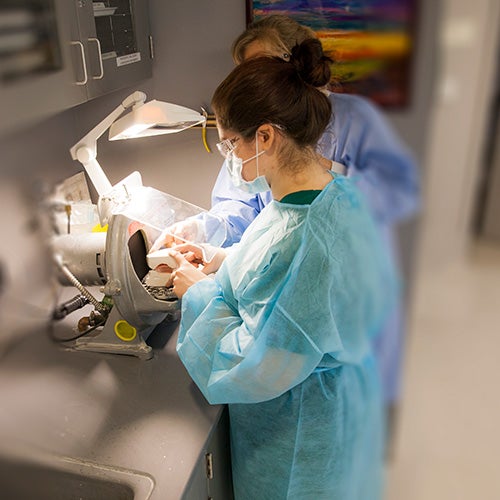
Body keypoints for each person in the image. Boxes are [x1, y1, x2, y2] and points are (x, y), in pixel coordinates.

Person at [165, 40, 398, 500]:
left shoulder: (315, 240)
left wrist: (197, 293)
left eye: (232, 142)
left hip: (300, 439)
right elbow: (276, 270)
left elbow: (259, 366)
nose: (228, 154)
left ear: (266, 137)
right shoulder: (313, 198)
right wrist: (218, 261)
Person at [208, 15, 420, 424]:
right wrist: (207, 236)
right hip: (287, 300)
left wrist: (330, 184)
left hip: (342, 298)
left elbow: (398, 189)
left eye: (266, 69)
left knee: (346, 407)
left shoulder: (353, 121)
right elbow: (241, 205)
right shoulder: (254, 142)